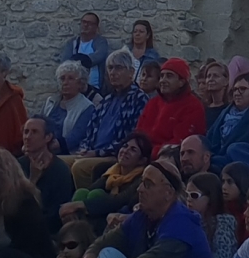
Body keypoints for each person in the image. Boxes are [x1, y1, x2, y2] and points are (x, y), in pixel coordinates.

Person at [47, 159, 213, 258]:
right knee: (109, 254)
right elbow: (99, 245)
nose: (140, 189)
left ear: (168, 192)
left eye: (148, 184)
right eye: (141, 183)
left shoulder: (182, 221)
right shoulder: (143, 215)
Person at [77, 50, 150, 180]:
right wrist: (85, 149)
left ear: (131, 73)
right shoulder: (106, 100)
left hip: (116, 155)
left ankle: (89, 199)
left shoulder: (139, 99)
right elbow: (89, 130)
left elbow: (132, 136)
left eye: (118, 68)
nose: (113, 72)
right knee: (59, 162)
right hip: (92, 152)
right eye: (110, 68)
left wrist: (98, 153)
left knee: (80, 167)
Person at [140, 58, 212, 150]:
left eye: (169, 76)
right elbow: (139, 132)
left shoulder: (193, 107)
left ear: (181, 82)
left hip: (168, 158)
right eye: (162, 76)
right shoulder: (153, 103)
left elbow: (178, 144)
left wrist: (148, 153)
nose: (163, 80)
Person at [19, 114, 77, 218]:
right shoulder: (18, 165)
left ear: (48, 137)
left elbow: (56, 213)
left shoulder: (60, 170)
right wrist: (33, 179)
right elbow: (14, 205)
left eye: (34, 132)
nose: (27, 137)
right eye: (26, 132)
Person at [186, 172, 242, 258]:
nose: (188, 199)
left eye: (194, 195)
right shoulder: (187, 220)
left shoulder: (223, 222)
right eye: (186, 194)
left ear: (210, 197)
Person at [47, 59, 99, 154]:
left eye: (70, 78)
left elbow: (75, 137)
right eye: (62, 78)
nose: (65, 82)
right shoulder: (51, 101)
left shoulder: (87, 107)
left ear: (80, 83)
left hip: (68, 153)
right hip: (45, 148)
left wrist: (48, 146)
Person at [61, 12, 112, 89]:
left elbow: (98, 56)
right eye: (84, 22)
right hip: (75, 89)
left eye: (89, 23)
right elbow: (65, 63)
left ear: (96, 27)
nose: (85, 25)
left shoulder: (101, 42)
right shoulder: (72, 43)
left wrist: (77, 60)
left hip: (95, 88)